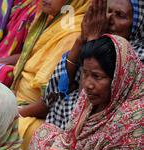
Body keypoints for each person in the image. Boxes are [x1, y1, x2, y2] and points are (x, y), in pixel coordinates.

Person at [25, 0, 144, 135]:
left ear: (137, 25)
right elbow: (52, 95)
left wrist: (92, 40)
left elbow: (88, 106)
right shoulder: (99, 42)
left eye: (120, 15)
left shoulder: (137, 58)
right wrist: (82, 38)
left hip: (95, 131)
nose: (108, 19)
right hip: (63, 120)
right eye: (108, 11)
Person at [10, 0, 90, 150]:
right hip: (19, 102)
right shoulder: (54, 19)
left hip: (35, 116)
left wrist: (11, 113)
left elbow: (46, 103)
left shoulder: (72, 33)